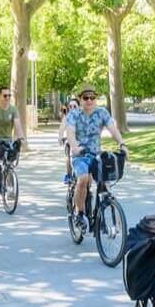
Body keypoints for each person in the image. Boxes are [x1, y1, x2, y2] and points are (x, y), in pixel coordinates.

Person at [64, 85, 126, 234]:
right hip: (80, 155)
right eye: (86, 97)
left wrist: (122, 144)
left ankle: (105, 216)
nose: (89, 100)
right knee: (84, 179)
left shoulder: (102, 113)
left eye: (92, 97)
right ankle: (79, 213)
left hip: (96, 155)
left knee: (105, 181)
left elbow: (113, 129)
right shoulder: (74, 115)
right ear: (80, 99)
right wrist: (75, 147)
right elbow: (70, 133)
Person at [58, 99, 80, 184]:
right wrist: (60, 137)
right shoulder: (67, 117)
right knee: (68, 157)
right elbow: (62, 128)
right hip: (70, 141)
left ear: (79, 107)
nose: (72, 108)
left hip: (81, 142)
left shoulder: (83, 116)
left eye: (75, 106)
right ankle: (69, 175)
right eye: (70, 107)